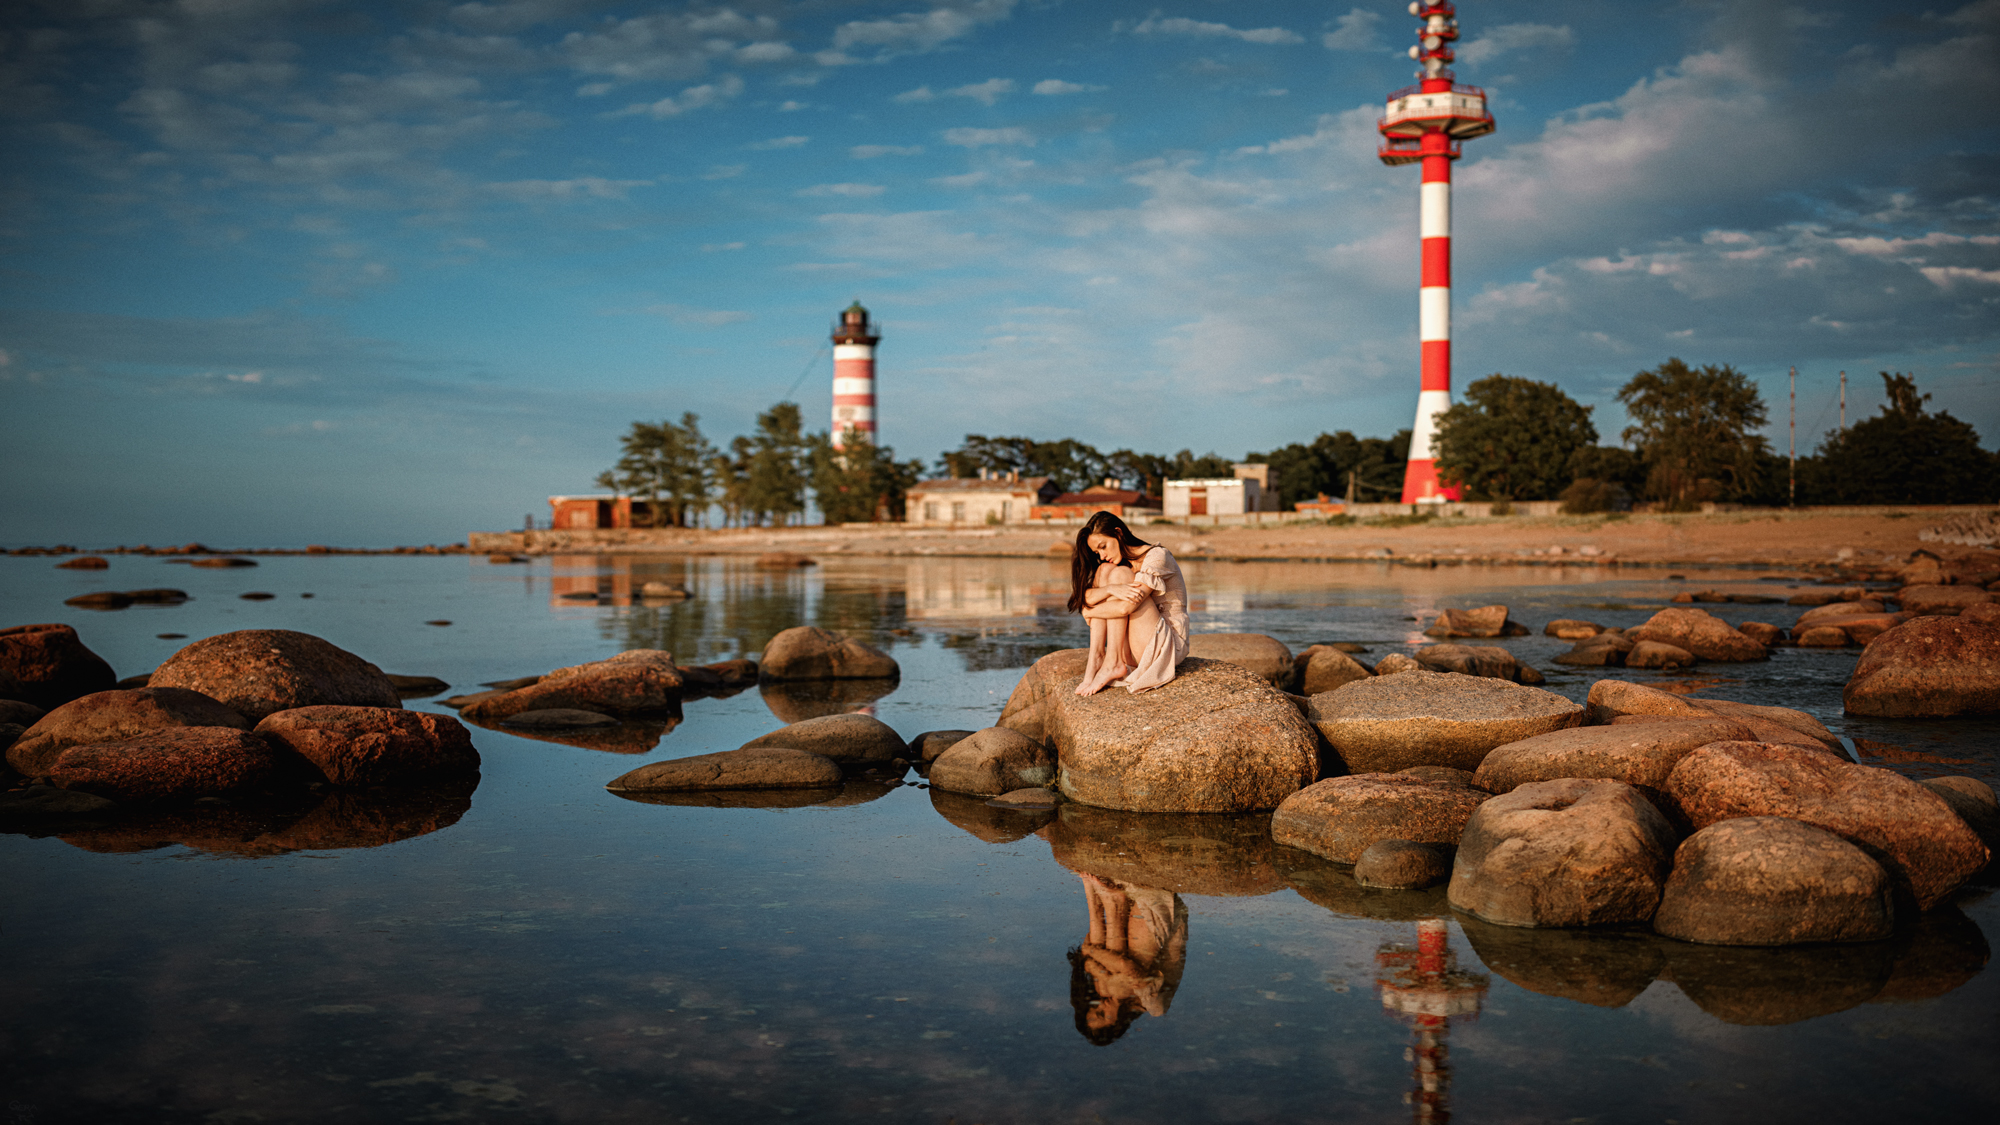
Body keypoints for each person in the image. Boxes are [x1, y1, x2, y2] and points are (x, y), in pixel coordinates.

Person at [1066, 511, 1189, 696]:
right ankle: (1097, 659)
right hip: (1135, 647)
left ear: (1118, 533)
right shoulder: (1117, 564)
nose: (1102, 555)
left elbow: (1126, 607)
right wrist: (1109, 590)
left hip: (1166, 645)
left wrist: (1090, 612)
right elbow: (1085, 598)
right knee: (1105, 570)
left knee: (1119, 574)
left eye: (1103, 546)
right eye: (1097, 552)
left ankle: (1112, 662)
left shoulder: (1157, 556)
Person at [1067, 872, 1189, 1045]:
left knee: (1106, 986)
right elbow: (1126, 966)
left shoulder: (1106, 990)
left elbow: (1090, 955)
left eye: (1094, 1006)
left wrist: (1095, 965)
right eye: (1102, 1013)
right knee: (1115, 987)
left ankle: (1096, 895)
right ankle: (1113, 904)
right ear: (1116, 1024)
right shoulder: (1154, 1007)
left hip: (1143, 923)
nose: (1101, 1004)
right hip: (1160, 914)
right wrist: (1090, 954)